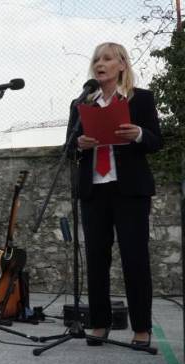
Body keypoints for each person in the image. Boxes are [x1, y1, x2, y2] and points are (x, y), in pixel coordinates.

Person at [72, 42, 163, 347]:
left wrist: (138, 134)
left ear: (122, 64)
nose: (100, 64)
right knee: (96, 259)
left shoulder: (141, 99)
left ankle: (141, 327)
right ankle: (99, 323)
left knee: (134, 259)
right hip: (94, 190)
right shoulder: (82, 102)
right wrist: (79, 144)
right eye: (97, 59)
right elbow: (68, 146)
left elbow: (156, 141)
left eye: (108, 59)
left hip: (130, 191)